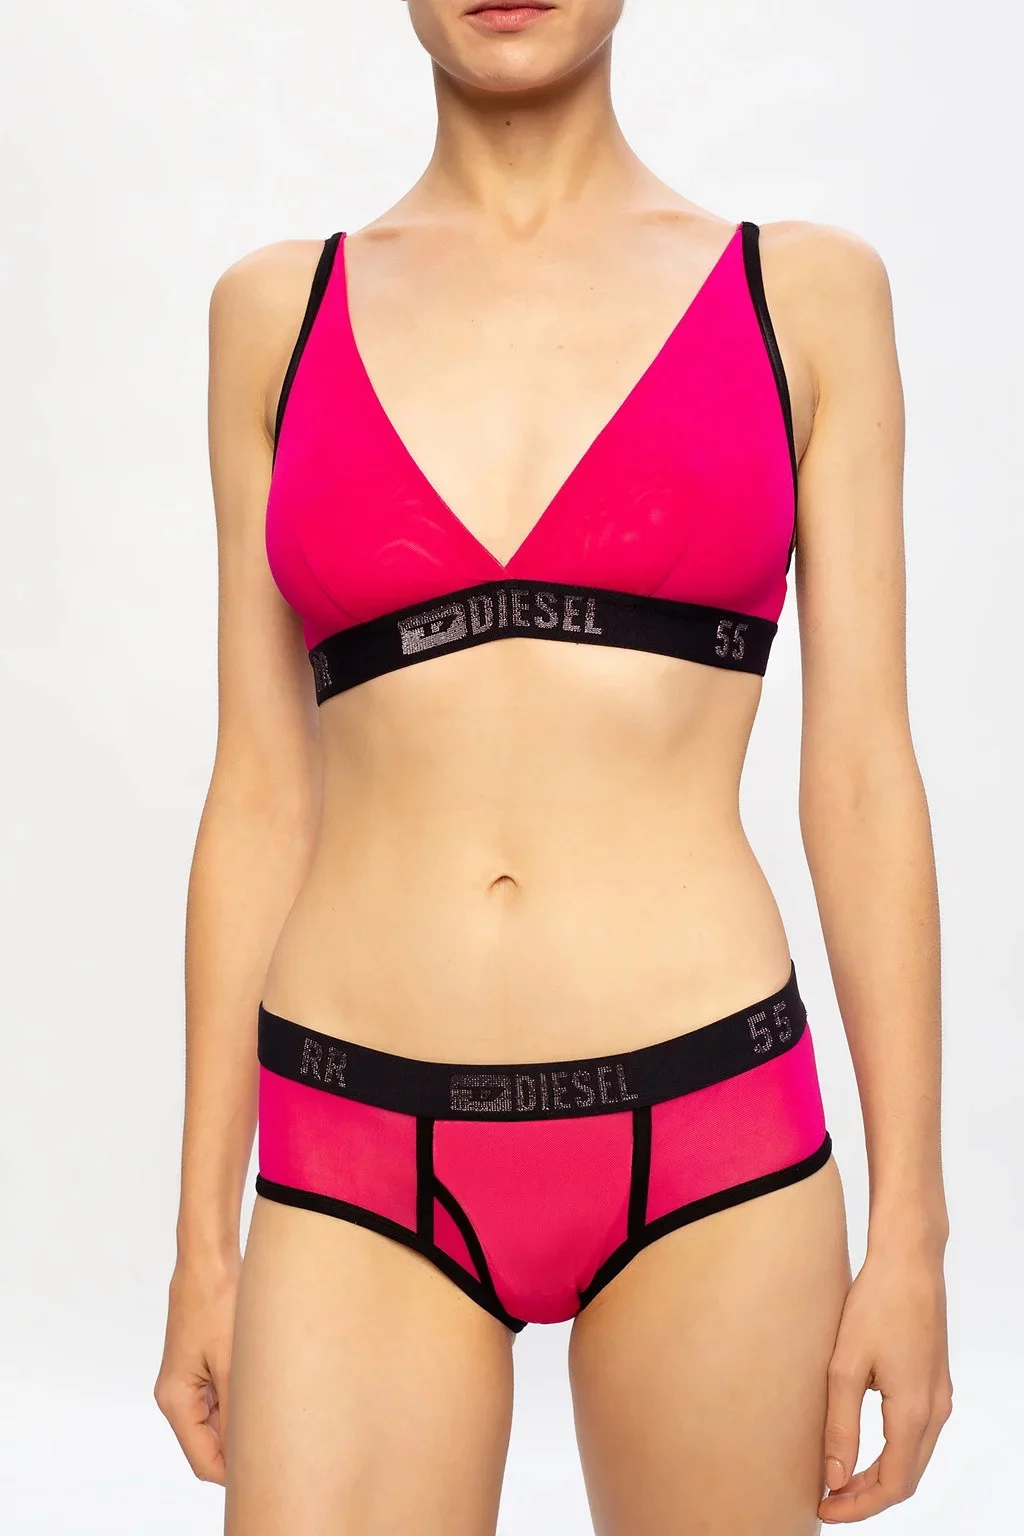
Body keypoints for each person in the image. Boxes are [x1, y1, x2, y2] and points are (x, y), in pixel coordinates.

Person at [154, 2, 953, 1531]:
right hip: (352, 1147)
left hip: (714, 1135)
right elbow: (258, 789)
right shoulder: (275, 315)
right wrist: (202, 1234)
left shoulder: (801, 298)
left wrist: (911, 1225)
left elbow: (862, 774)